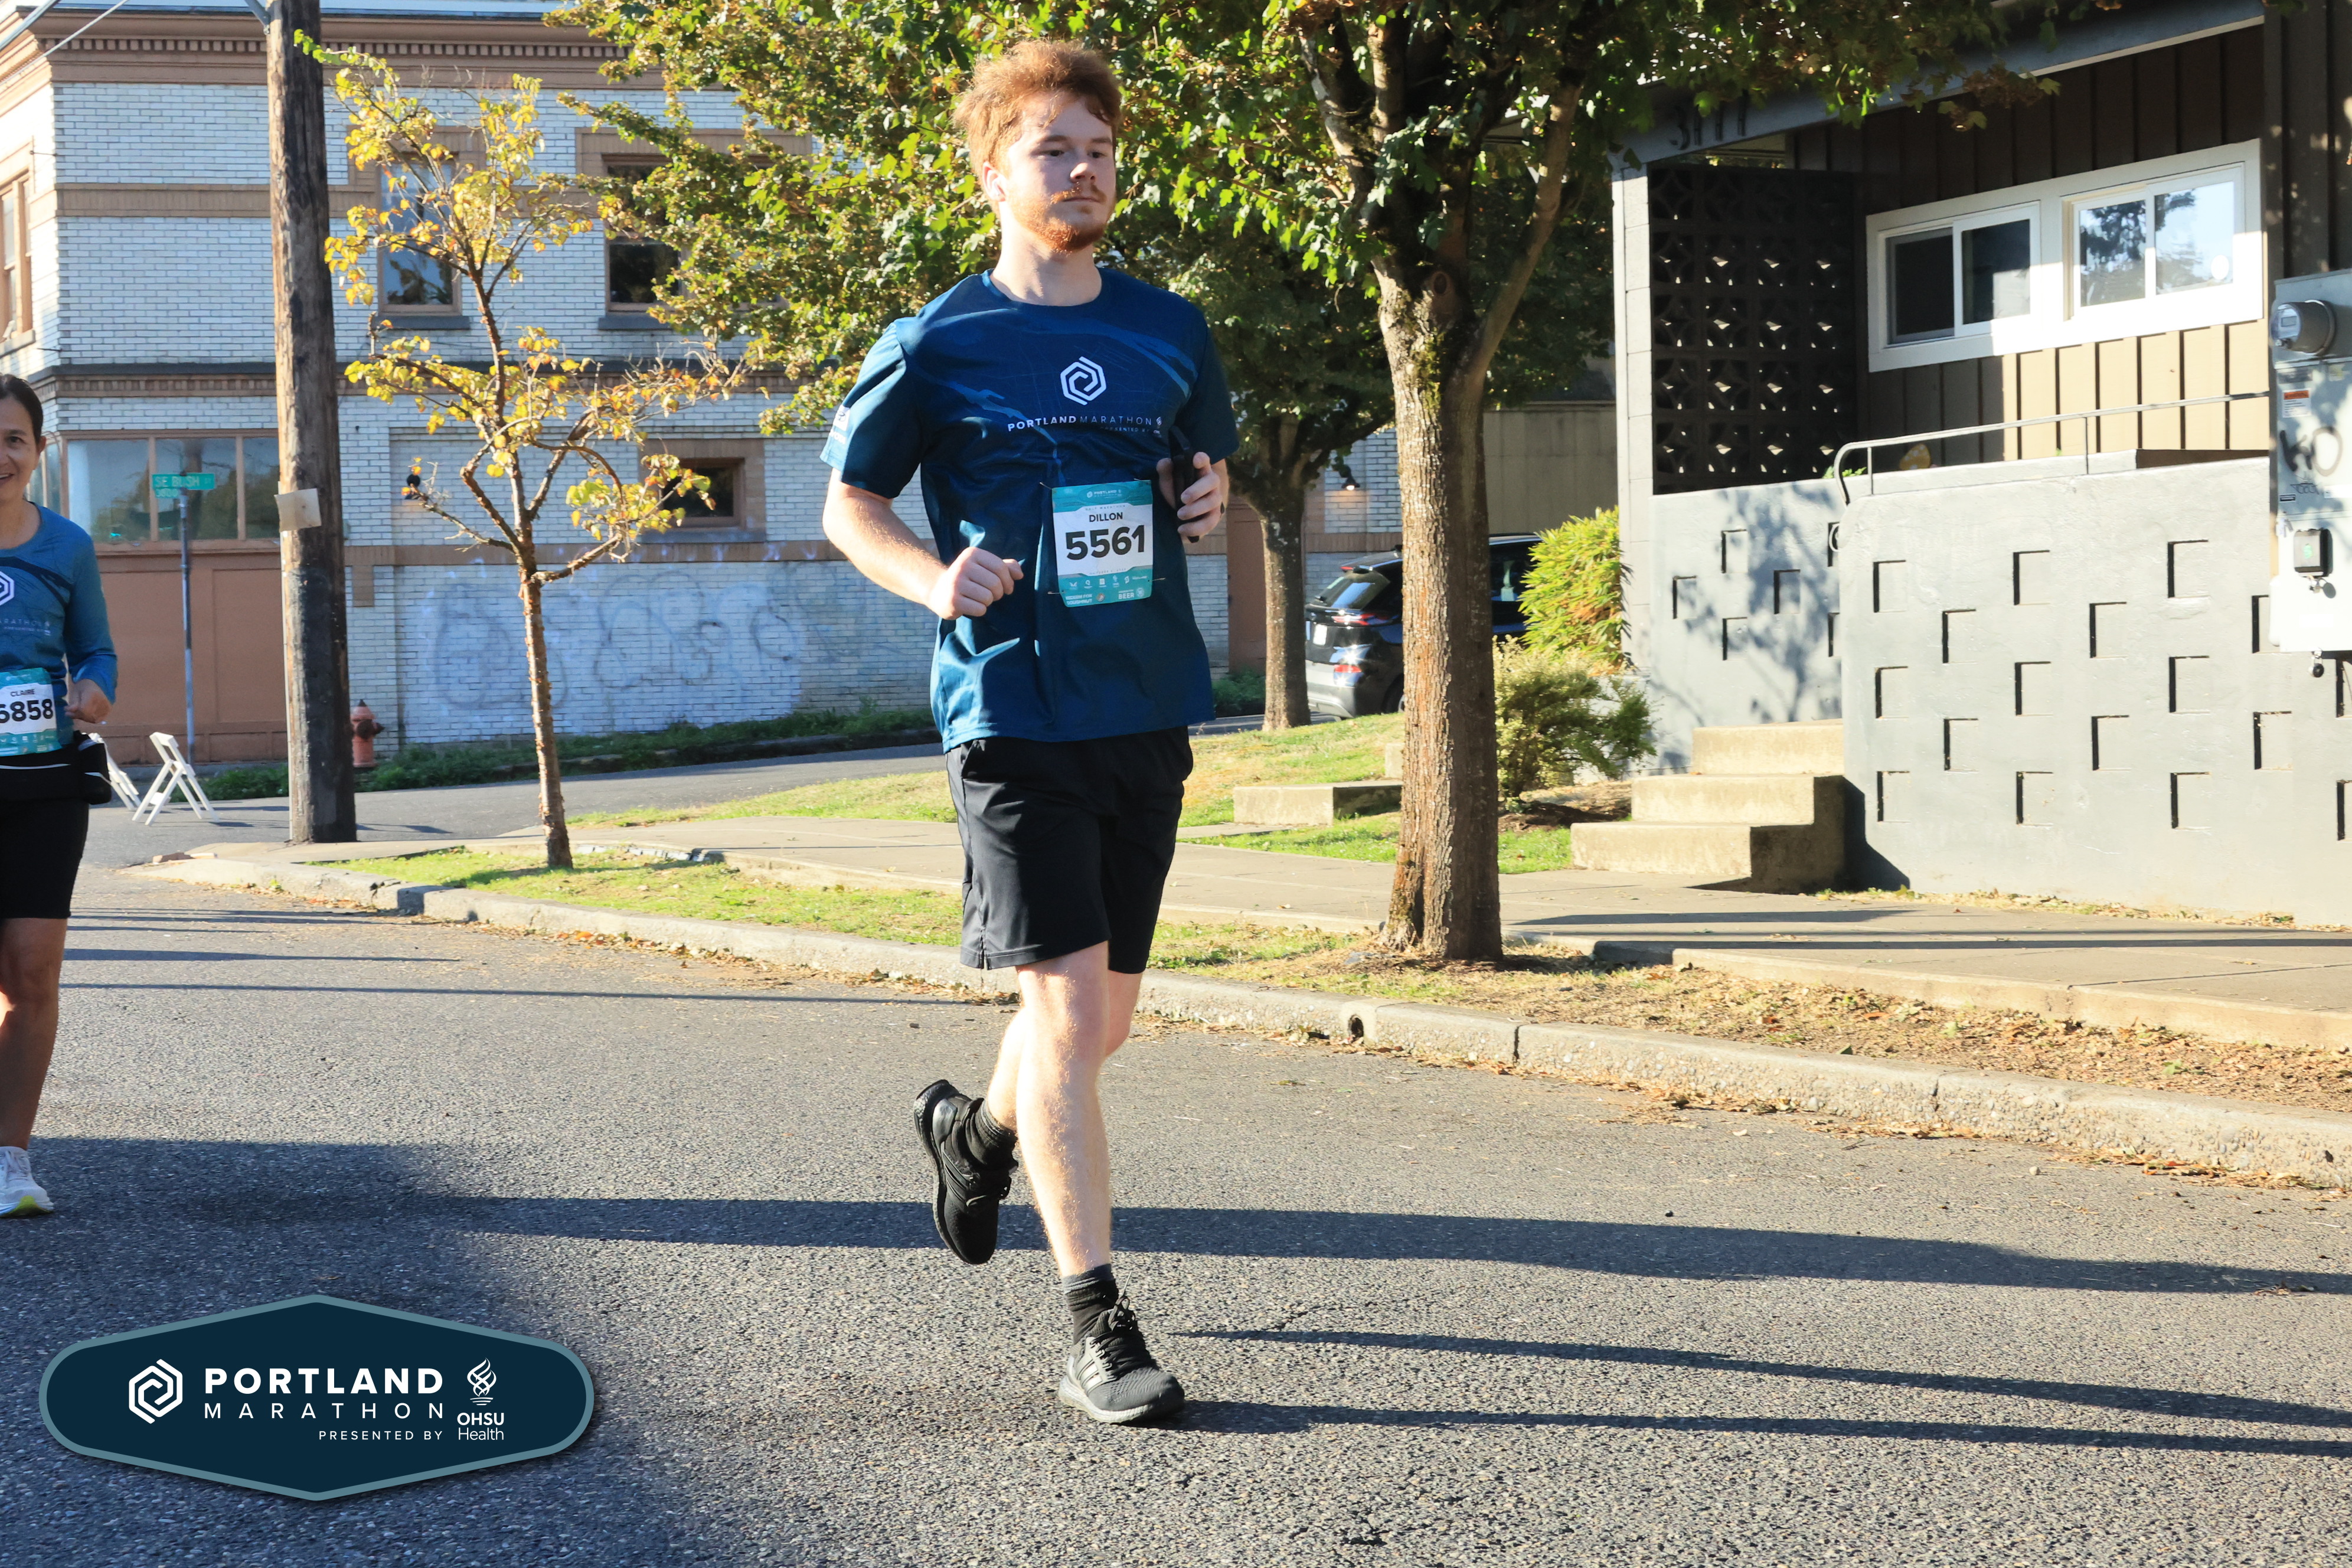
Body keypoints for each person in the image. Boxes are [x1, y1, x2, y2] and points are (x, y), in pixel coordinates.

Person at [820, 40, 1233, 1425]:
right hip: (1009, 707)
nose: (1084, 170)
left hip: (1144, 696)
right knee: (1062, 1007)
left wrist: (1206, 500)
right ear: (992, 173)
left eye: (1099, 149)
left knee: (1101, 1021)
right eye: (1053, 149)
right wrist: (933, 579)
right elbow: (850, 505)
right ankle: (1096, 1320)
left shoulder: (1171, 329)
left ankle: (976, 1128)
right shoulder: (936, 341)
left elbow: (1200, 472)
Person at [0, 375, 117, 1217]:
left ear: (38, 450)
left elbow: (96, 649)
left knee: (32, 974)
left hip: (43, 784)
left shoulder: (67, 545)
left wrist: (96, 689)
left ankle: (11, 1160)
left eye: (12, 439)